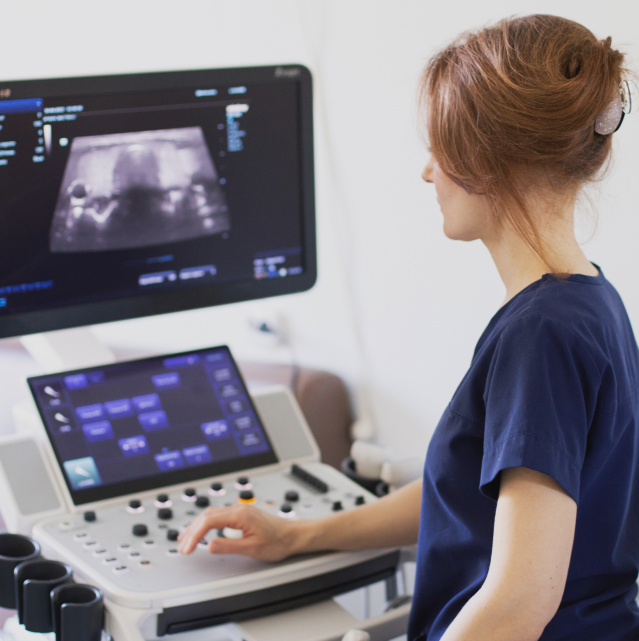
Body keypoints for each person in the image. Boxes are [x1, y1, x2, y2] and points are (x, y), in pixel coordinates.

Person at [179, 15, 639, 641]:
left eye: (438, 149)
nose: (428, 173)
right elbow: (470, 502)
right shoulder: (590, 301)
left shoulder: (542, 334)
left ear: (486, 157)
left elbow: (517, 604)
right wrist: (300, 536)